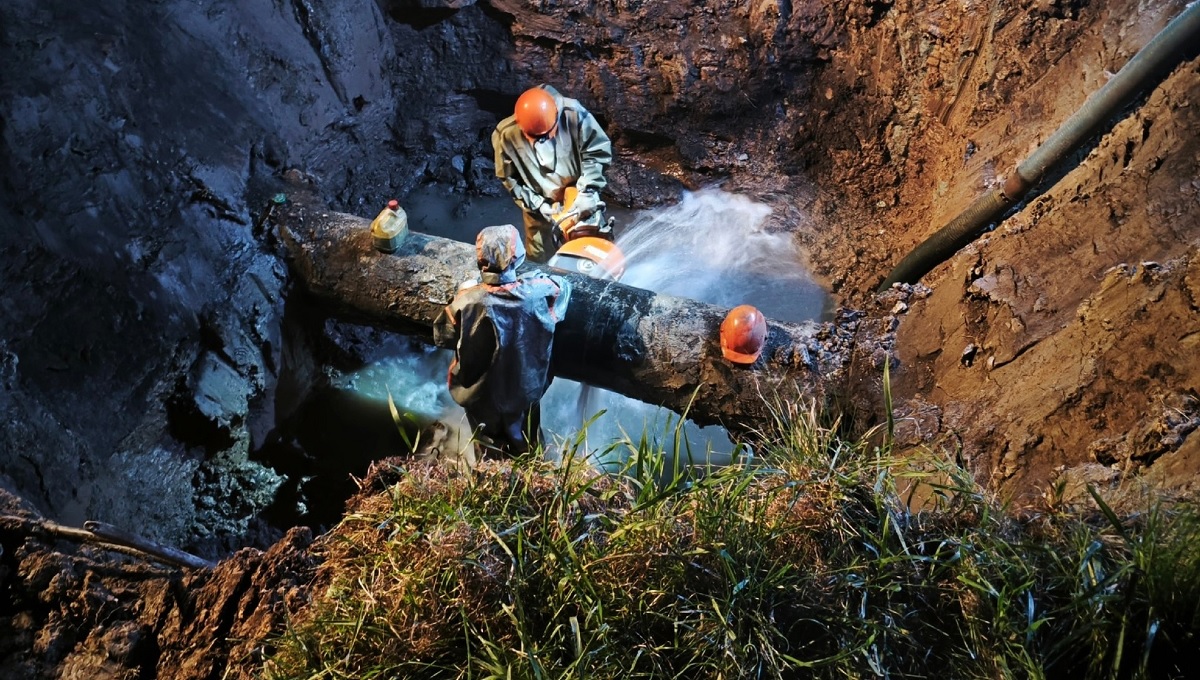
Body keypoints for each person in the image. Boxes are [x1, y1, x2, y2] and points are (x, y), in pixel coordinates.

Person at [433, 224, 571, 458]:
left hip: (478, 392)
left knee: (485, 442)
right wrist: (533, 278)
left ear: (481, 261)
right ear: (517, 259)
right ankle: (532, 475)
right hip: (523, 389)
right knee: (527, 437)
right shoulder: (538, 292)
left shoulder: (465, 301)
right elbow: (564, 289)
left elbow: (442, 336)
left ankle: (491, 476)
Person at [492, 84, 613, 263]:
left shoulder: (574, 114)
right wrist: (539, 205)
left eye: (548, 135)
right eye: (535, 138)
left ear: (556, 116)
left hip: (579, 197)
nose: (544, 140)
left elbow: (596, 152)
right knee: (539, 256)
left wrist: (588, 191)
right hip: (539, 204)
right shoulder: (506, 135)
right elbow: (510, 179)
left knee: (593, 248)